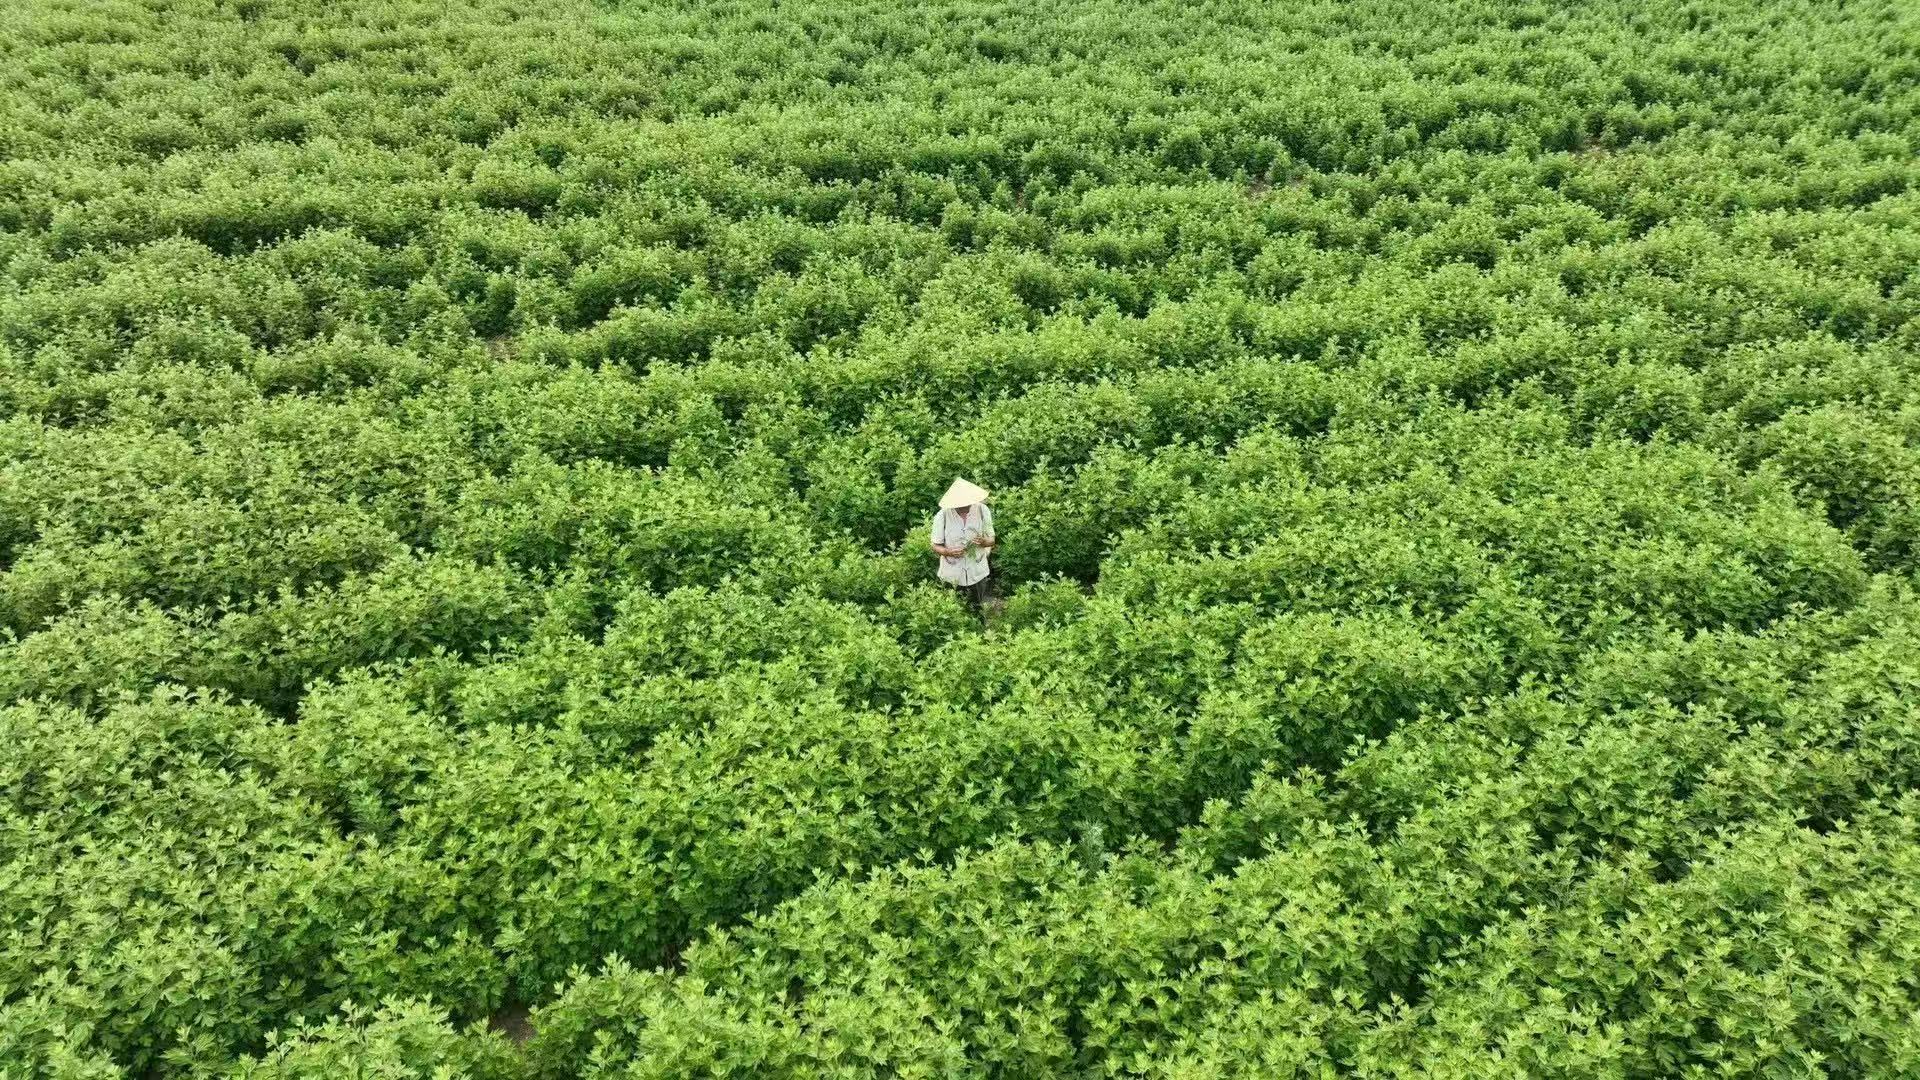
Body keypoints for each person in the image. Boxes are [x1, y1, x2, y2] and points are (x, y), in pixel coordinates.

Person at [930, 478, 995, 614]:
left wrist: (984, 542)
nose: (966, 506)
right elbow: (935, 545)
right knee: (953, 610)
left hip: (977, 571)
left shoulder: (982, 510)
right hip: (952, 574)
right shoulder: (942, 515)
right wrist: (947, 552)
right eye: (961, 504)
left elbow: (992, 540)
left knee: (977, 609)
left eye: (968, 502)